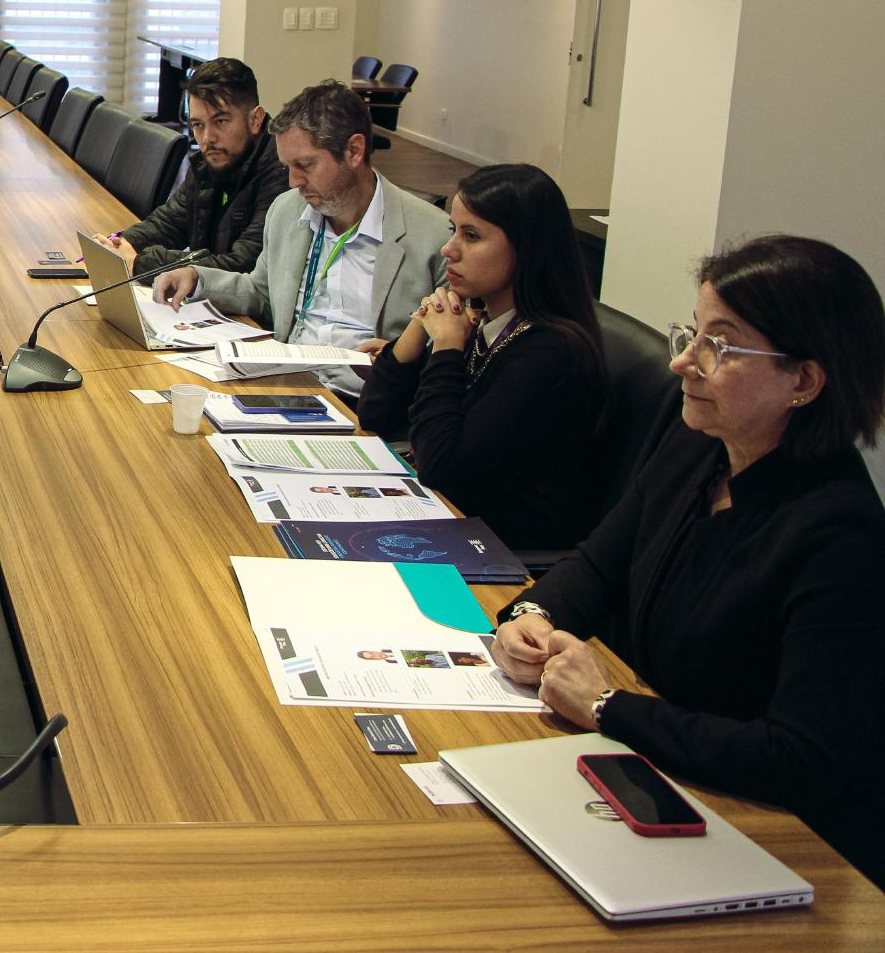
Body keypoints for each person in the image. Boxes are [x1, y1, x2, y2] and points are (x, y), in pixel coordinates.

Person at [492, 235, 885, 885]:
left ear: (804, 381)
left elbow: (798, 758)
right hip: (656, 775)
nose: (682, 362)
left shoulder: (841, 537)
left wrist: (606, 704)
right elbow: (597, 563)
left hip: (773, 842)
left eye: (719, 347)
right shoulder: (700, 446)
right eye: (692, 333)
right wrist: (530, 616)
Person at [354, 164, 604, 549]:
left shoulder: (550, 353)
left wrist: (446, 347)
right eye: (453, 230)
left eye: (471, 236)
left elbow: (441, 466)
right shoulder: (486, 321)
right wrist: (419, 326)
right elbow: (373, 414)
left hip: (500, 548)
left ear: (527, 247)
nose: (449, 249)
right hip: (450, 516)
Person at [152, 80, 448, 393]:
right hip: (289, 382)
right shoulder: (287, 210)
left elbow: (452, 351)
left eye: (305, 165)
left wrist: (402, 359)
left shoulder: (435, 237)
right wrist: (197, 279)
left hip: (366, 399)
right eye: (288, 167)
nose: (294, 181)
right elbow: (262, 293)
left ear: (354, 151)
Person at [115, 58, 288, 278]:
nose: (207, 138)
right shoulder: (209, 163)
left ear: (255, 120)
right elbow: (169, 223)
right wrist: (123, 243)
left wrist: (142, 263)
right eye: (198, 125)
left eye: (221, 121)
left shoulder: (282, 172)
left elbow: (244, 265)